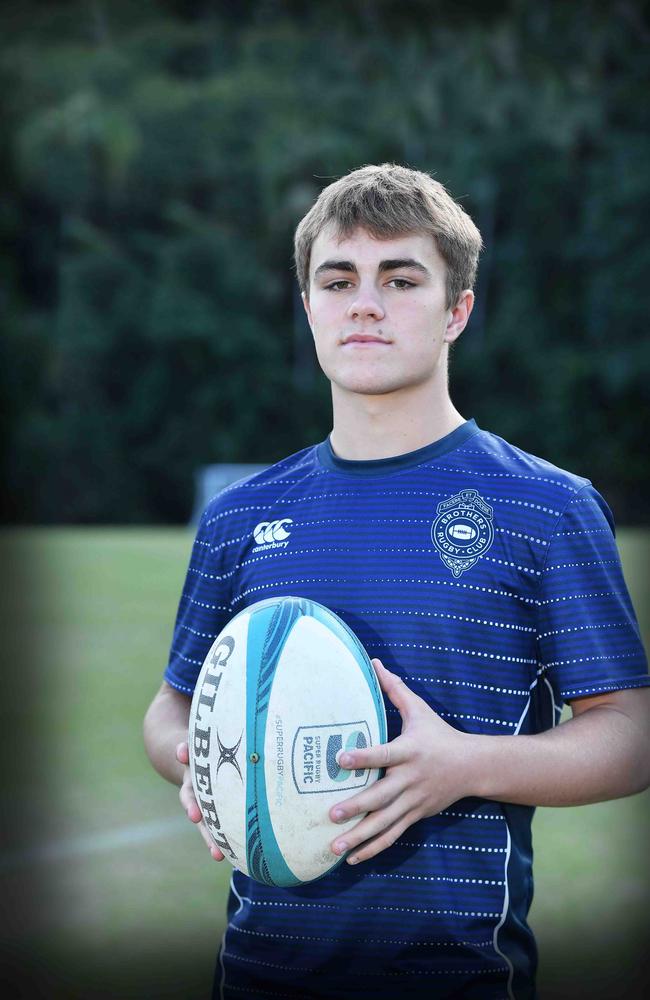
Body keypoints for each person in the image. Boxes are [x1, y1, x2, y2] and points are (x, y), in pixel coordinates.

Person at [143, 163, 650, 1000]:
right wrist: (203, 762)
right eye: (337, 280)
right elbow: (172, 706)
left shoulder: (546, 507)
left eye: (401, 278)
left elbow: (629, 732)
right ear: (308, 307)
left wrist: (462, 765)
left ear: (458, 310)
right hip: (256, 976)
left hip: (457, 978)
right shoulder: (241, 516)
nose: (365, 303)